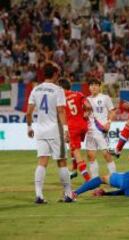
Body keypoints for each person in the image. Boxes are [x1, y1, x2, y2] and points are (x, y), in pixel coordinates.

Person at [26, 62, 74, 204]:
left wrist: (29, 127)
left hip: (40, 130)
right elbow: (61, 111)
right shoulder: (58, 90)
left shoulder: (35, 90)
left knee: (42, 162)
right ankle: (68, 194)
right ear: (54, 74)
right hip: (55, 130)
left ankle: (39, 195)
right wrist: (66, 130)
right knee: (62, 161)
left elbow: (28, 112)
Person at [58, 78, 91, 182]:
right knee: (73, 147)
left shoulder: (61, 99)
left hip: (72, 127)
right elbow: (89, 106)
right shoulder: (78, 94)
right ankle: (74, 170)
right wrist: (87, 113)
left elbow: (61, 113)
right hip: (83, 125)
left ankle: (88, 180)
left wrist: (64, 129)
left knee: (76, 151)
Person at [85, 78, 117, 178]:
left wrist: (109, 122)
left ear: (99, 87)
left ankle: (114, 177)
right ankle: (95, 179)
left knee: (106, 154)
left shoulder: (105, 98)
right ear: (89, 87)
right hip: (90, 130)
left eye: (96, 85)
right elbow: (85, 114)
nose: (93, 87)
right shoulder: (86, 100)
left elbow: (112, 111)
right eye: (91, 85)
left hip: (101, 129)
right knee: (90, 155)